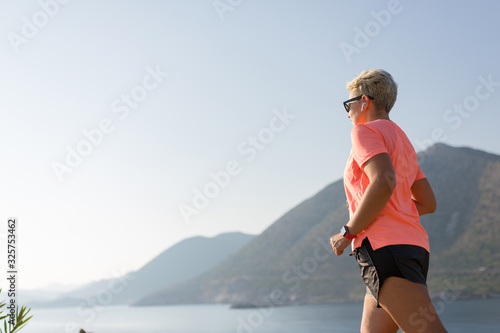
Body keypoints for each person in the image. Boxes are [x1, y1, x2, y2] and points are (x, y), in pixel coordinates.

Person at [330, 69, 448, 333]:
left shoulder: (364, 132)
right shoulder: (402, 140)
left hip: (386, 250)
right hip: (412, 248)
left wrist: (348, 232)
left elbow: (383, 181)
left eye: (349, 104)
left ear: (365, 101)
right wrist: (396, 209)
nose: (348, 112)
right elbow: (428, 203)